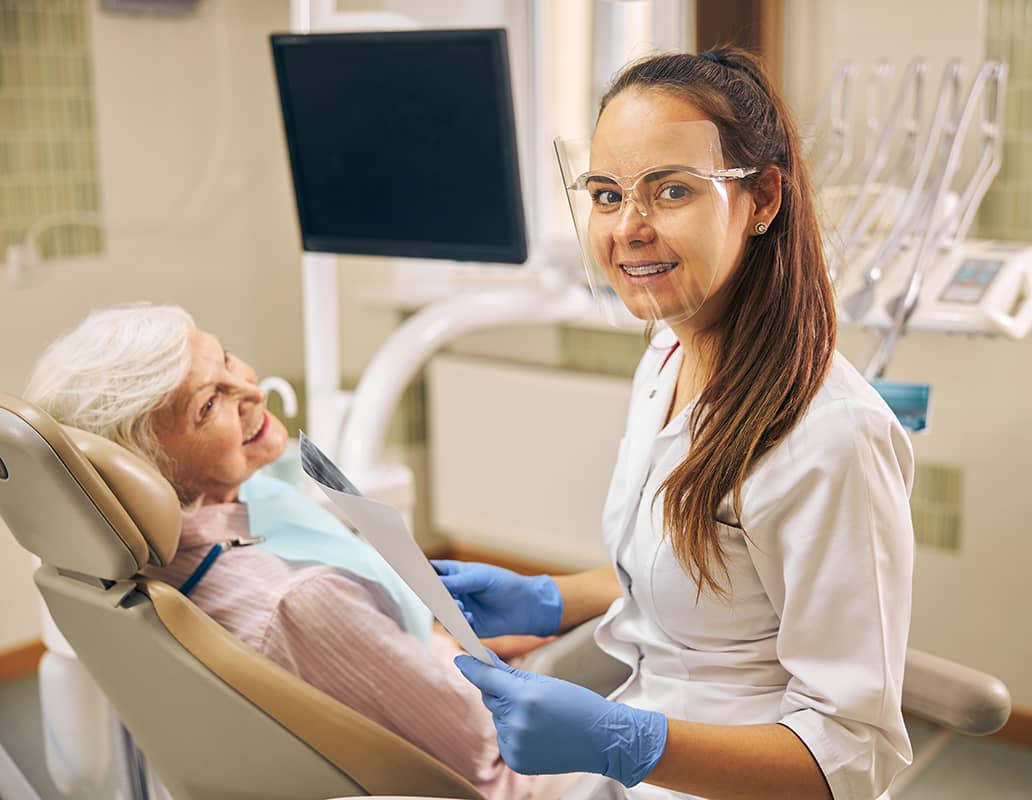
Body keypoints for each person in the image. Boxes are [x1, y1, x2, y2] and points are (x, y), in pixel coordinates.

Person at [436, 47, 915, 800]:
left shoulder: (833, 439)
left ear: (762, 199)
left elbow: (855, 755)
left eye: (670, 191)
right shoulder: (666, 354)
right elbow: (717, 582)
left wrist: (630, 744)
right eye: (604, 193)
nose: (628, 227)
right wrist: (554, 597)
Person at [25, 304, 560, 800]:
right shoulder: (292, 602)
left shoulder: (142, 566)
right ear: (146, 468)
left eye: (229, 360)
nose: (251, 392)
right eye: (209, 405)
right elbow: (482, 750)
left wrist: (440, 645)